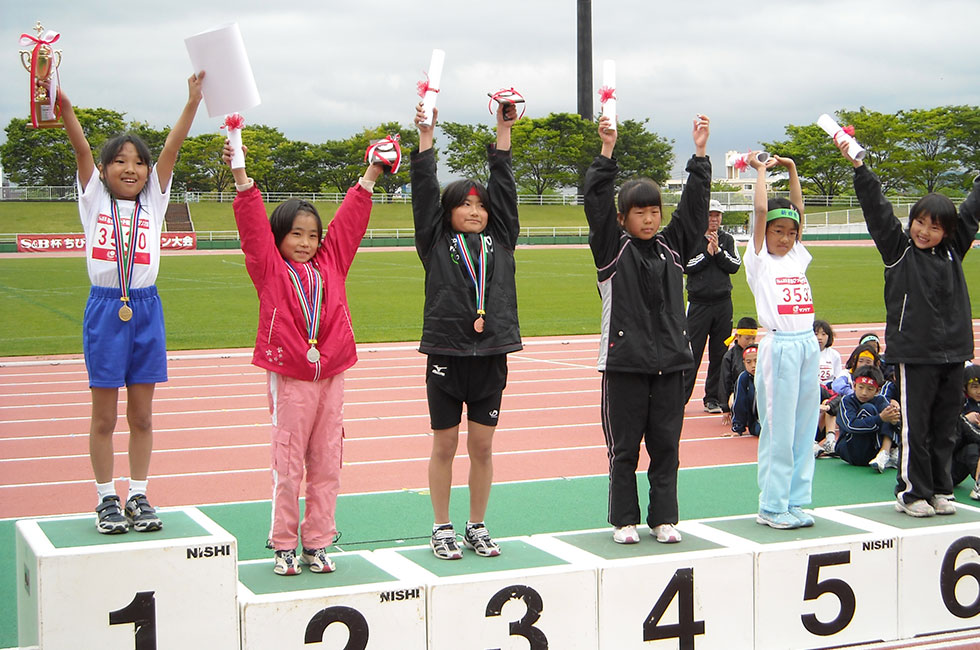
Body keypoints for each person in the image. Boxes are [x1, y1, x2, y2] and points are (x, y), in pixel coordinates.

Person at [224, 135, 389, 574]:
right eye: (296, 233)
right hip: (291, 373)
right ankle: (283, 544)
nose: (306, 241)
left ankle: (317, 541)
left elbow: (349, 224)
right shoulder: (269, 268)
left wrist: (371, 174)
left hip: (330, 372)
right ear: (279, 237)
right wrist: (242, 178)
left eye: (313, 235)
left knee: (328, 460)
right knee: (288, 460)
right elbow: (252, 228)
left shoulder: (332, 263)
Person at [57, 73, 205, 534]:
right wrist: (63, 106)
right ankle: (106, 498)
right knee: (104, 415)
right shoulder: (94, 199)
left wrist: (192, 103)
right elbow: (81, 149)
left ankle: (138, 493)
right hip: (106, 308)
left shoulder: (154, 203)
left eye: (138, 162)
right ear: (102, 171)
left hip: (145, 308)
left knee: (141, 414)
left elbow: (172, 149)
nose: (131, 168)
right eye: (119, 161)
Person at [584, 112, 711, 544]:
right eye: (640, 213)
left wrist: (699, 155)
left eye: (655, 212)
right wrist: (606, 151)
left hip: (671, 366)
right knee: (624, 451)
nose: (650, 220)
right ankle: (624, 520)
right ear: (623, 219)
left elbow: (694, 212)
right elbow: (596, 203)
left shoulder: (672, 249)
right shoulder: (611, 251)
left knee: (666, 448)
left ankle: (663, 518)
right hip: (625, 367)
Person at [839, 140, 979, 517]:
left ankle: (940, 488)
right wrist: (860, 169)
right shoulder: (898, 250)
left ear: (947, 232)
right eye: (919, 222)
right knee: (916, 427)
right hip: (914, 353)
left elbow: (970, 210)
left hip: (954, 352)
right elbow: (878, 211)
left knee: (946, 423)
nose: (924, 231)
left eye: (934, 227)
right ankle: (912, 492)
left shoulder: (953, 249)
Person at [411, 100, 522, 560]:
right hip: (447, 354)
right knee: (445, 443)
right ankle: (441, 527)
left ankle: (477, 524)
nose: (474, 210)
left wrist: (503, 134)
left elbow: (505, 189)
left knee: (481, 445)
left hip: (491, 353)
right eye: (464, 205)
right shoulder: (435, 241)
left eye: (479, 205)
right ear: (449, 212)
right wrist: (425, 139)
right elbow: (423, 191)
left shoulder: (503, 239)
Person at [744, 151, 819, 530]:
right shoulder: (759, 260)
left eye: (791, 233)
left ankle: (795, 500)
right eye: (778, 232)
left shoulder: (796, 257)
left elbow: (798, 209)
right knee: (779, 428)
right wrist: (760, 172)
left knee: (805, 426)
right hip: (779, 346)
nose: (786, 238)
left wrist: (791, 169)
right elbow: (760, 211)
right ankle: (772, 505)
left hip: (807, 345)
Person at [683, 198, 742, 413]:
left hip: (722, 303)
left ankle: (713, 398)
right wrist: (707, 254)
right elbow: (686, 266)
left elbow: (735, 266)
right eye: (710, 215)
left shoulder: (728, 239)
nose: (714, 219)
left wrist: (718, 252)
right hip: (698, 304)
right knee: (691, 353)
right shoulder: (692, 239)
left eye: (717, 215)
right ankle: (680, 398)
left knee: (719, 353)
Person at [834, 366, 901, 472]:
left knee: (889, 414)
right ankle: (885, 453)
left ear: (877, 390)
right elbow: (851, 425)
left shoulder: (881, 400)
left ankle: (885, 452)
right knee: (869, 409)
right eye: (861, 387)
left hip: (873, 451)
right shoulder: (847, 401)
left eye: (869, 389)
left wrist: (895, 421)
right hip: (851, 450)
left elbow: (897, 423)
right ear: (854, 386)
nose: (864, 392)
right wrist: (879, 418)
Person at [719, 316, 758, 425]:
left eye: (753, 338)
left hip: (757, 392)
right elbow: (724, 381)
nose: (750, 342)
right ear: (737, 336)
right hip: (738, 393)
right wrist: (725, 408)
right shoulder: (729, 356)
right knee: (734, 398)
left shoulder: (759, 352)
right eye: (747, 338)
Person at [952, 365, 980, 499]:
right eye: (974, 386)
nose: (979, 391)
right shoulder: (959, 404)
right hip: (946, 468)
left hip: (960, 462)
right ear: (965, 387)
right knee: (972, 449)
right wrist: (965, 421)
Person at [730, 344, 760, 437]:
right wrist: (737, 428)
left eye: (756, 361)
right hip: (757, 422)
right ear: (744, 363)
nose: (753, 365)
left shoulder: (770, 376)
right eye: (748, 362)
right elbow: (740, 403)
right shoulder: (744, 378)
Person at [814, 319, 843, 387]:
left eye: (823, 334)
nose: (819, 338)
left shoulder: (834, 355)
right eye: (816, 334)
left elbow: (838, 377)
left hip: (829, 390)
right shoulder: (806, 354)